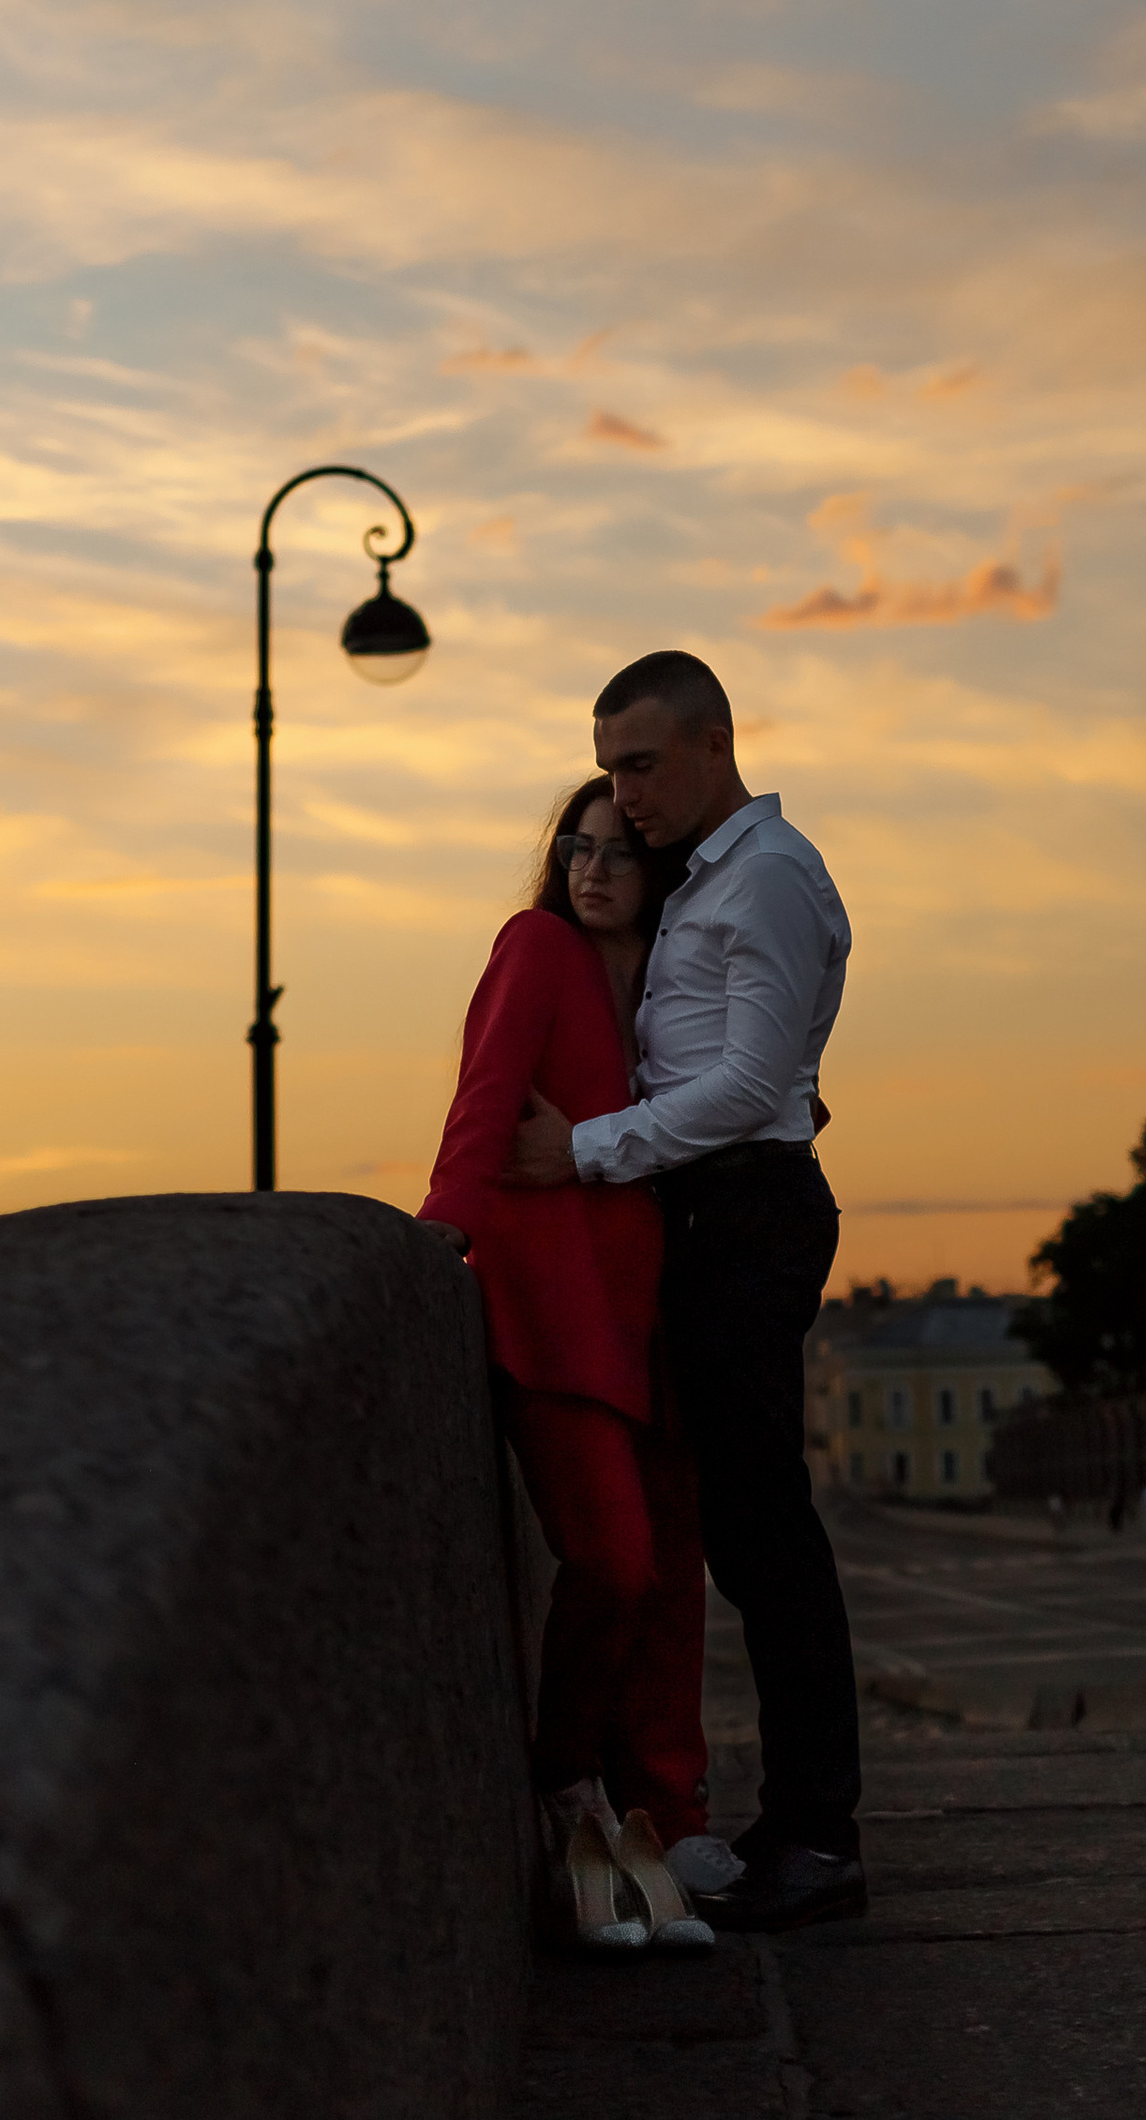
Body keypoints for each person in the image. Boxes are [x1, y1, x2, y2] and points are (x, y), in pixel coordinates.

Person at [506, 650, 863, 1933]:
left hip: (746, 1211)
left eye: (642, 764)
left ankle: (819, 1835)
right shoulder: (711, 880)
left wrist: (585, 1150)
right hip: (717, 1214)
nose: (624, 794)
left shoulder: (763, 876)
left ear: (715, 744)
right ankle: (783, 1824)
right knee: (735, 1532)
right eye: (609, 767)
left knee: (766, 1536)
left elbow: (751, 1081)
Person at [419, 777, 714, 1956]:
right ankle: (567, 1791)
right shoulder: (535, 943)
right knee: (613, 1561)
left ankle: (663, 1816)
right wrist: (446, 1221)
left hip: (649, 1314)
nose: (591, 868)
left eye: (617, 852)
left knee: (673, 1581)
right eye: (574, 848)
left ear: (656, 872)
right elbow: (485, 1092)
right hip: (549, 1308)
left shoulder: (670, 985)